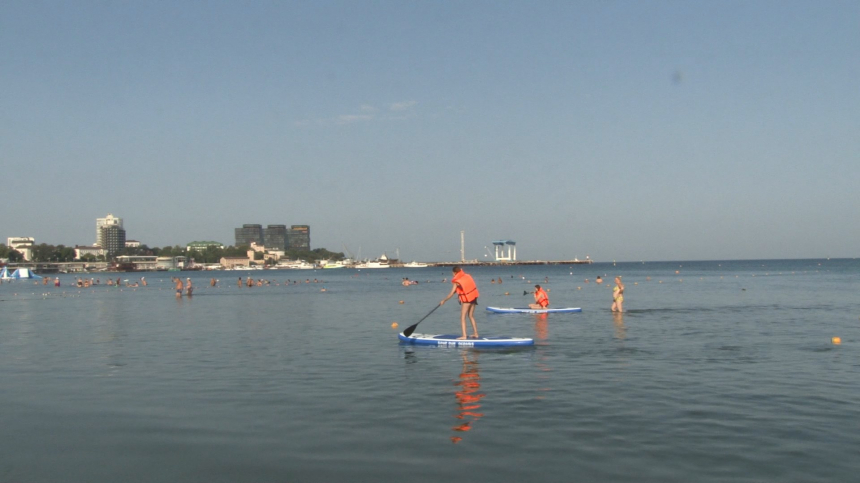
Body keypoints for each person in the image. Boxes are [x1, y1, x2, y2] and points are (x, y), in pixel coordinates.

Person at [440, 266, 480, 339]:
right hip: (474, 297)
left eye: (452, 273)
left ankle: (464, 336)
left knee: (462, 317)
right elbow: (465, 287)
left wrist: (444, 300)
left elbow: (451, 293)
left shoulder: (457, 281)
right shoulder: (467, 276)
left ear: (455, 273)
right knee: (471, 316)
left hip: (467, 300)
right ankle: (476, 334)